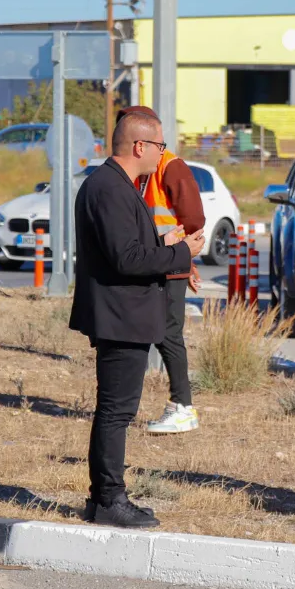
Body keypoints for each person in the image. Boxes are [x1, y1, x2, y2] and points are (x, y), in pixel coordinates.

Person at [70, 111, 205, 528]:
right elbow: (126, 260)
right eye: (160, 146)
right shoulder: (109, 187)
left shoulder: (115, 184)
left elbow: (126, 246)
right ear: (139, 146)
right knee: (116, 412)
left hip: (123, 313)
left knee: (115, 410)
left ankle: (103, 499)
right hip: (120, 315)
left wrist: (164, 241)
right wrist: (182, 253)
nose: (163, 153)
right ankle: (109, 499)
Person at [115, 105, 205, 435]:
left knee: (168, 333)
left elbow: (194, 219)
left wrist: (183, 257)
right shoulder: (137, 168)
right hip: (152, 260)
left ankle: (183, 406)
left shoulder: (170, 165)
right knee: (155, 332)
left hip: (167, 262)